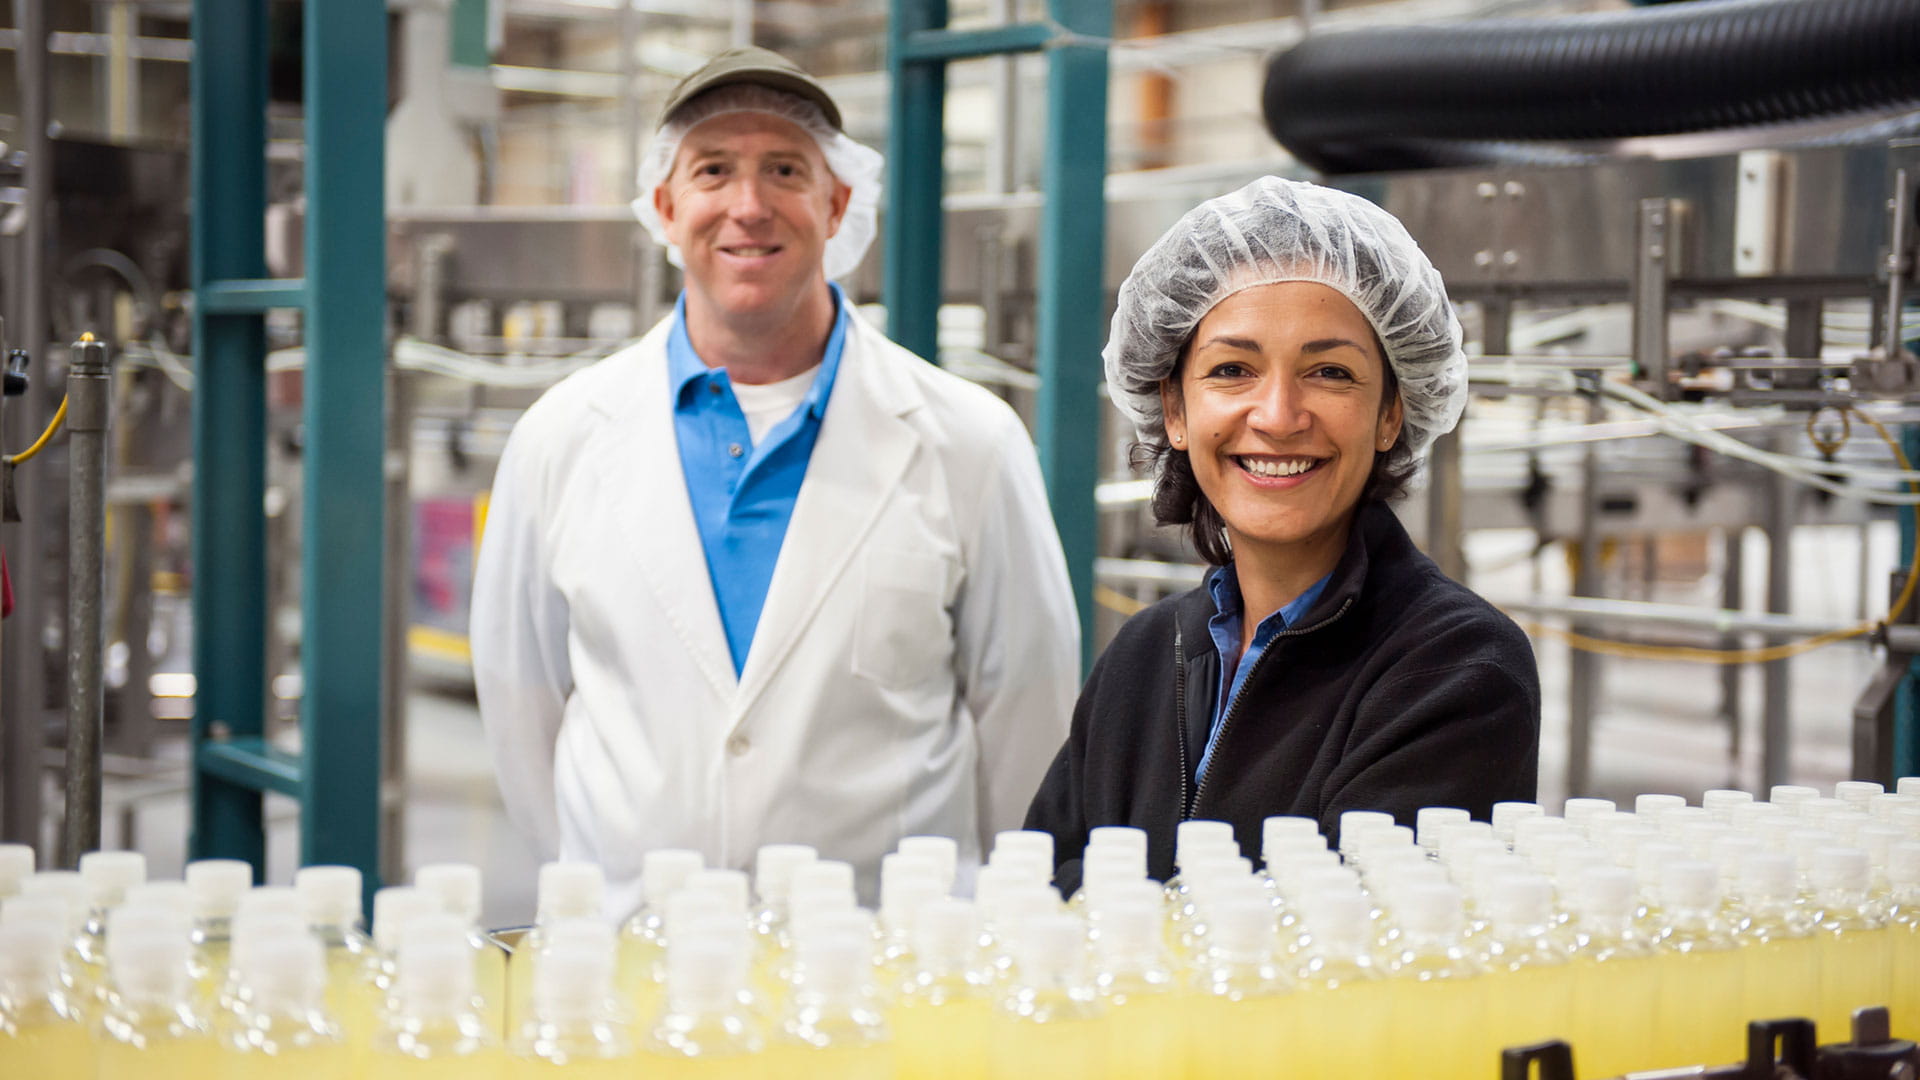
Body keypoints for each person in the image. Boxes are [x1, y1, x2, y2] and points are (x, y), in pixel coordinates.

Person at [471, 47, 1080, 918]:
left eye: (784, 170)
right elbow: (521, 702)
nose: (748, 206)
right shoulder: (560, 439)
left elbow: (1029, 718)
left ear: (837, 204)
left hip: (881, 963)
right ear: (665, 204)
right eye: (713, 169)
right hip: (638, 954)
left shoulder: (969, 441)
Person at [1024, 177, 1540, 891]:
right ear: (1174, 408)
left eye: (1330, 372)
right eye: (1232, 370)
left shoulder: (1456, 669)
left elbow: (1336, 940)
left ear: (1392, 412)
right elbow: (1038, 888)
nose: (1278, 414)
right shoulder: (1146, 655)